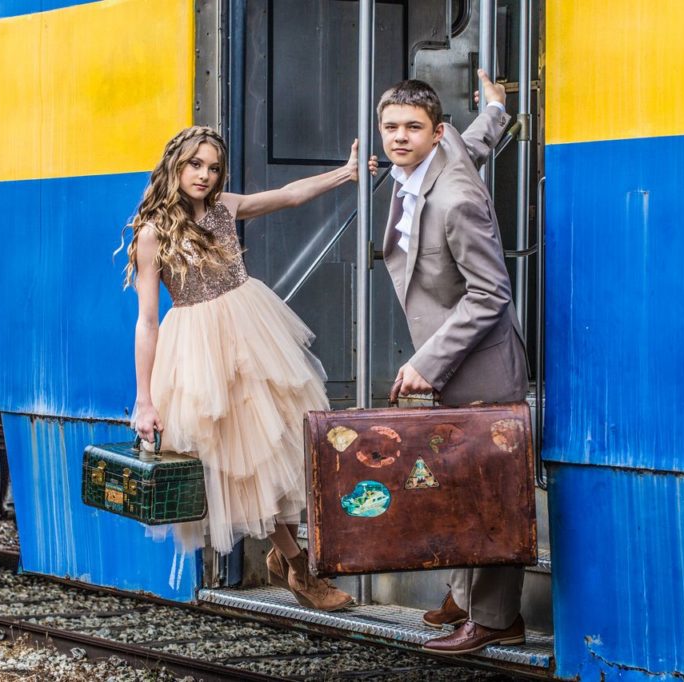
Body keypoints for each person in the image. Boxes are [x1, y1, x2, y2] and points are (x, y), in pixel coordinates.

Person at [125, 126, 356, 612]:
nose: (204, 175)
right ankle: (298, 566)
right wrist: (144, 400)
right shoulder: (153, 233)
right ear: (176, 164)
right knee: (247, 462)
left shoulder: (225, 208)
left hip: (253, 333)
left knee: (276, 446)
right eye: (195, 165)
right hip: (200, 352)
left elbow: (289, 196)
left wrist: (346, 174)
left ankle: (287, 554)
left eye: (212, 167)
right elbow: (147, 321)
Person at [371, 71, 529, 653]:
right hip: (448, 363)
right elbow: (479, 138)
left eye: (412, 128)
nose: (399, 138)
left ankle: (494, 618)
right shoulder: (433, 157)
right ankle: (463, 597)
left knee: (485, 490)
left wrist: (426, 363)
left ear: (437, 134)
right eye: (390, 127)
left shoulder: (458, 199)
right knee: (453, 485)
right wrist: (495, 107)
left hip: (478, 366)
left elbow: (492, 294)